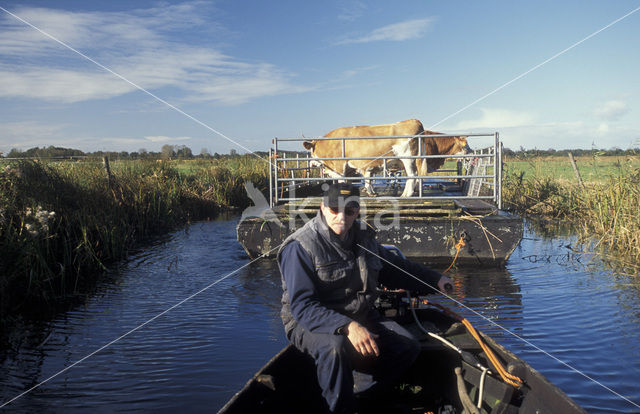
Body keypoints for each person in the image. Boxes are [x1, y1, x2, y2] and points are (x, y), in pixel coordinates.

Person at [278, 182, 452, 413]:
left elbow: (395, 269)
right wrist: (347, 327)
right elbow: (303, 307)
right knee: (334, 347)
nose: (341, 217)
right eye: (334, 209)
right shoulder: (300, 246)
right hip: (309, 322)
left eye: (349, 211)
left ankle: (359, 394)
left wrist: (434, 280)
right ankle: (338, 407)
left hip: (359, 315)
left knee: (407, 346)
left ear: (357, 211)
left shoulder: (364, 237)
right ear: (322, 207)